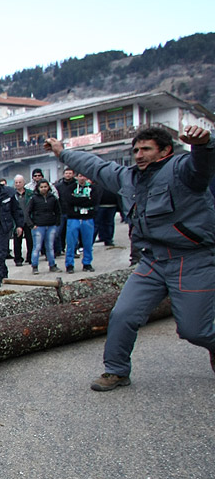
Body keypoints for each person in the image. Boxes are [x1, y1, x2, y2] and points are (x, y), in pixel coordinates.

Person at [44, 125, 215, 391]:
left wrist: (204, 143)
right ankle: (116, 370)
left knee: (195, 330)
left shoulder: (184, 170)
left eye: (146, 149)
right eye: (135, 150)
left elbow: (203, 162)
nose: (138, 155)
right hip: (152, 261)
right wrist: (62, 153)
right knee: (123, 314)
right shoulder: (128, 178)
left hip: (191, 259)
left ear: (165, 150)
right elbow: (95, 166)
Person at [61, 173, 99, 273]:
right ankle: (69, 264)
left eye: (83, 176)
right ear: (76, 177)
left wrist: (78, 200)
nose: (82, 178)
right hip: (73, 218)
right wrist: (85, 200)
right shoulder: (70, 188)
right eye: (79, 176)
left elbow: (94, 201)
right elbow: (69, 200)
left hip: (88, 218)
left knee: (88, 242)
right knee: (71, 243)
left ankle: (87, 263)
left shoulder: (93, 188)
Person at [26, 179, 61, 274]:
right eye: (41, 187)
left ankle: (52, 265)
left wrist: (57, 223)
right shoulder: (33, 199)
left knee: (50, 247)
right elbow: (27, 212)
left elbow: (58, 211)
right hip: (38, 226)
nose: (43, 189)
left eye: (45, 187)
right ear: (38, 188)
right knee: (37, 247)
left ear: (48, 187)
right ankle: (34, 266)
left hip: (51, 225)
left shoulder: (53, 198)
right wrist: (31, 225)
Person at [11, 174, 34, 266]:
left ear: (24, 183)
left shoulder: (30, 193)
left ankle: (30, 257)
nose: (18, 184)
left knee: (30, 240)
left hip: (28, 220)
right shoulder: (12, 194)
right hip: (17, 221)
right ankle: (18, 259)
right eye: (16, 182)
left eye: (20, 182)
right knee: (17, 241)